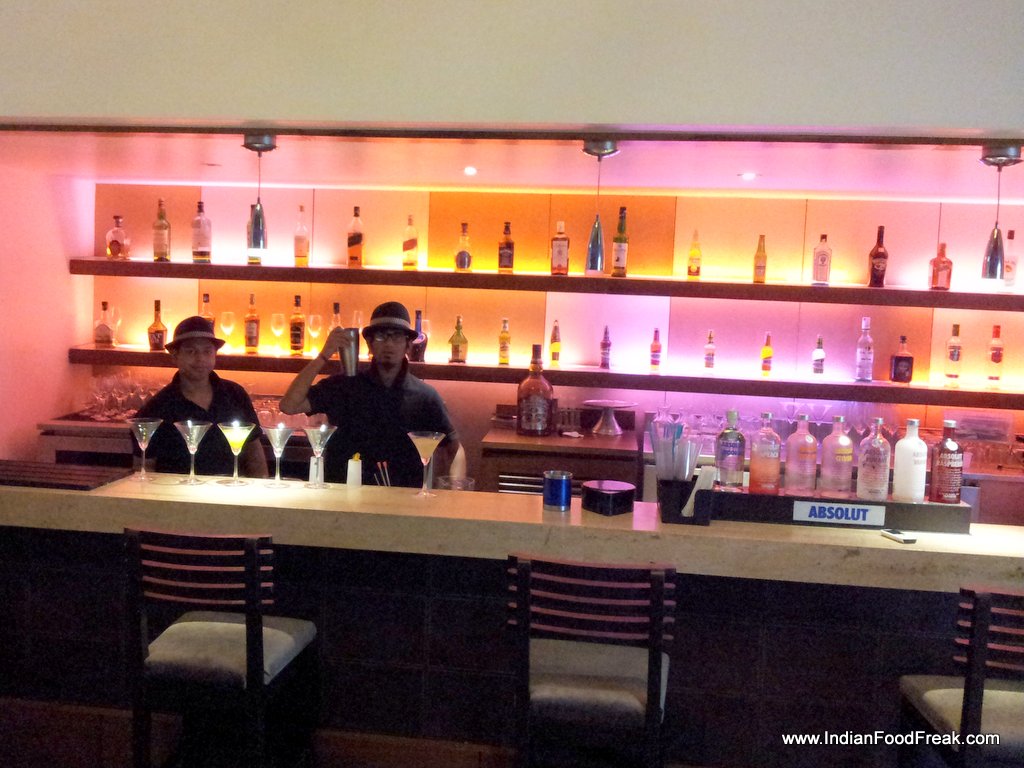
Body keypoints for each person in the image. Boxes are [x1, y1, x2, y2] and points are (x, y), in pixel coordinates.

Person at [280, 301, 463, 487]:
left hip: (404, 499)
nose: (389, 343)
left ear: (408, 345)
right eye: (381, 336)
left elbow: (454, 447)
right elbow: (289, 405)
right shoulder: (344, 385)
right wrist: (324, 355)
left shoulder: (425, 397)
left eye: (397, 337)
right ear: (369, 344)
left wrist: (451, 488)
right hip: (343, 497)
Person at [135, 316, 268, 478]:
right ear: (175, 356)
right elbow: (144, 468)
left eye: (207, 351)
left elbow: (254, 452)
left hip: (231, 490)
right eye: (191, 351)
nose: (200, 359)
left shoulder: (235, 394)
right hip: (177, 493)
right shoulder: (157, 408)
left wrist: (260, 488)